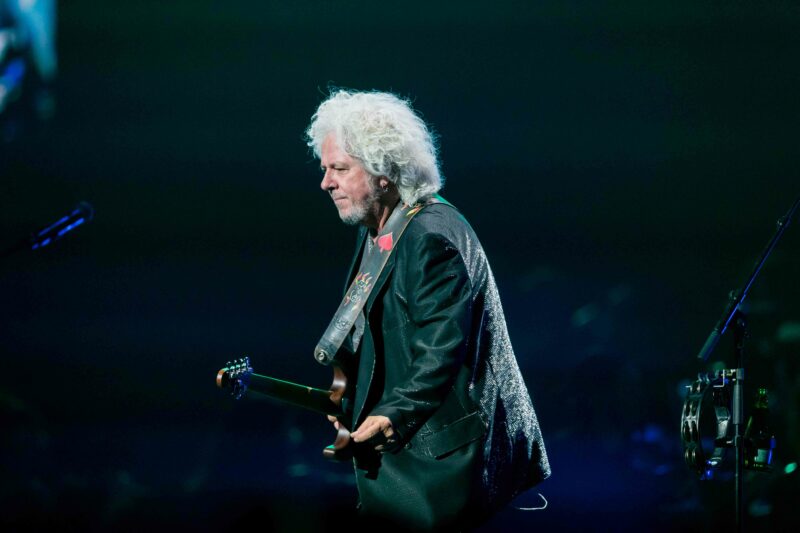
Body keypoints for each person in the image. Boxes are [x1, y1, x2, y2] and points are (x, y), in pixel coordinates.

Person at [305, 89, 550, 530]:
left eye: (339, 168)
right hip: (410, 461)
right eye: (325, 169)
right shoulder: (379, 228)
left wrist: (395, 412)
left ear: (384, 172)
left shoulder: (428, 235)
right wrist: (351, 392)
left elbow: (441, 346)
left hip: (440, 467)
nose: (326, 182)